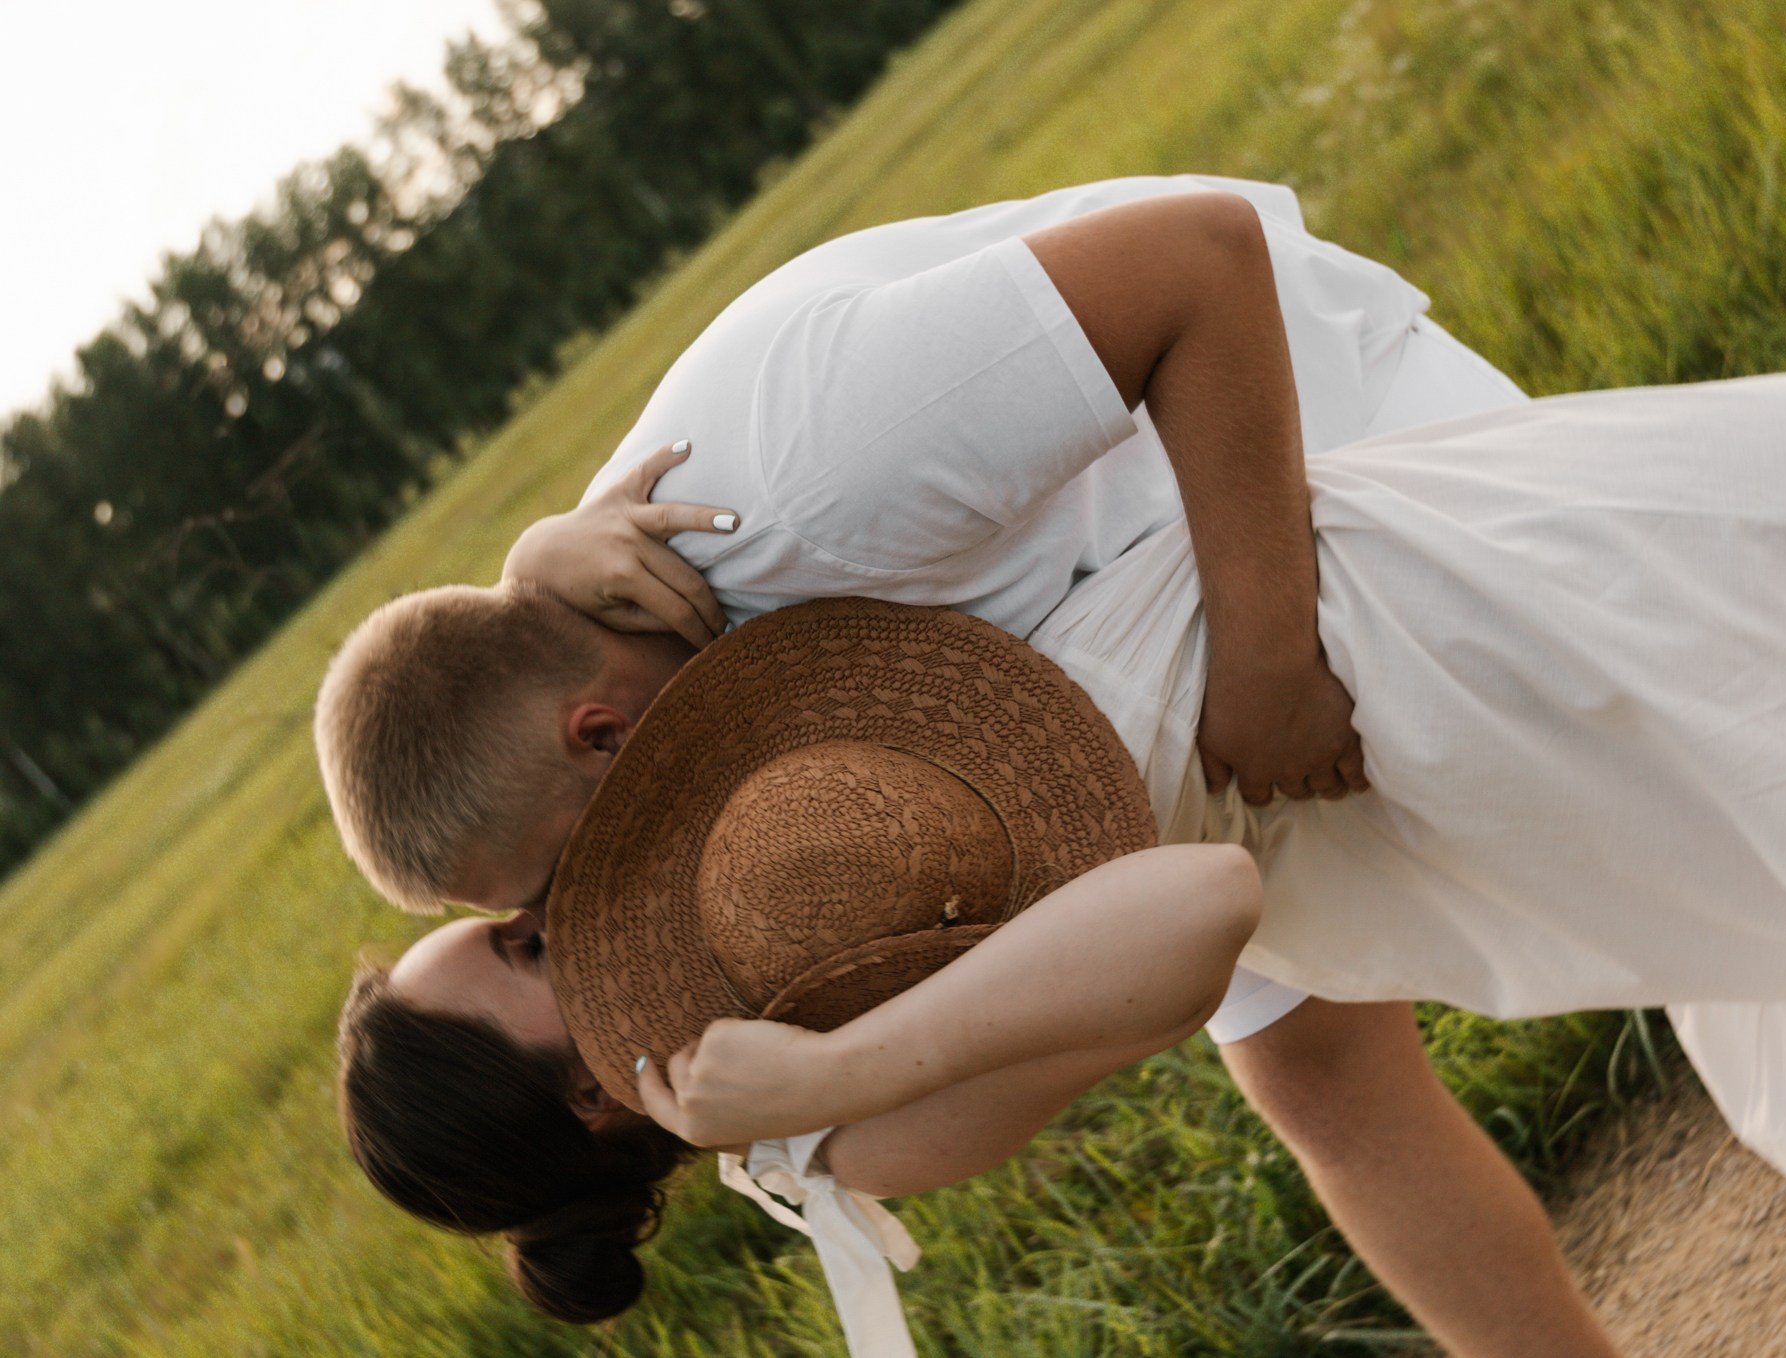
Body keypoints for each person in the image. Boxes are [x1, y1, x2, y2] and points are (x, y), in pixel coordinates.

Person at [323, 176, 1608, 1357]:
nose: (565, 913)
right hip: (1141, 716)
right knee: (1320, 1077)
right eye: (524, 931)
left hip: (1307, 464)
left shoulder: (795, 479)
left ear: (597, 735)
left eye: (534, 910)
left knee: (1632, 775)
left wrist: (1266, 666)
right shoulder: (719, 905)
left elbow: (1203, 259)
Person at [339, 837, 1266, 1325]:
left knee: (1318, 1091)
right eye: (526, 947)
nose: (545, 908)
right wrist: (837, 1074)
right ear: (588, 1096)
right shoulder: (864, 1135)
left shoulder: (726, 921)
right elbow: (1211, 896)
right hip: (1285, 805)